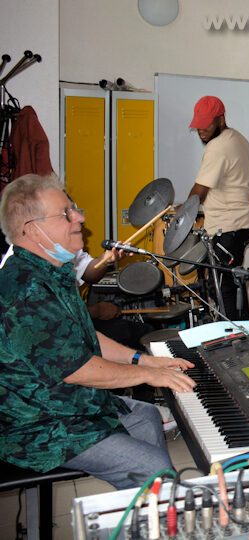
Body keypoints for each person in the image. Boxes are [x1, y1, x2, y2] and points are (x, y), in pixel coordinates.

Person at [0, 174, 195, 489]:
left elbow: (84, 337)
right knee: (152, 468)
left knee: (145, 416)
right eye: (66, 213)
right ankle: (156, 507)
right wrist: (147, 376)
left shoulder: (52, 271)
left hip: (68, 404)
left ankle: (150, 513)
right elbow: (76, 369)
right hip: (37, 424)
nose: (80, 217)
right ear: (33, 229)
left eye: (73, 209)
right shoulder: (24, 288)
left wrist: (144, 362)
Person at [188, 95, 249, 321]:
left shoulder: (217, 146)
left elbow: (200, 190)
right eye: (198, 126)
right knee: (233, 281)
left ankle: (235, 341)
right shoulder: (238, 138)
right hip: (243, 222)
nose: (201, 131)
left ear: (220, 118)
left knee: (222, 287)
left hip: (227, 227)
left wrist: (183, 214)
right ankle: (245, 336)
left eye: (206, 125)